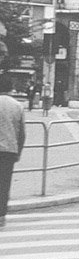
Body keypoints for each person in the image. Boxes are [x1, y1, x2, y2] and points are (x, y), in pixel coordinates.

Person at [0, 76, 27, 228]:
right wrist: (19, 151)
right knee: (4, 183)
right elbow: (22, 133)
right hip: (9, 150)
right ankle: (1, 215)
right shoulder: (17, 106)